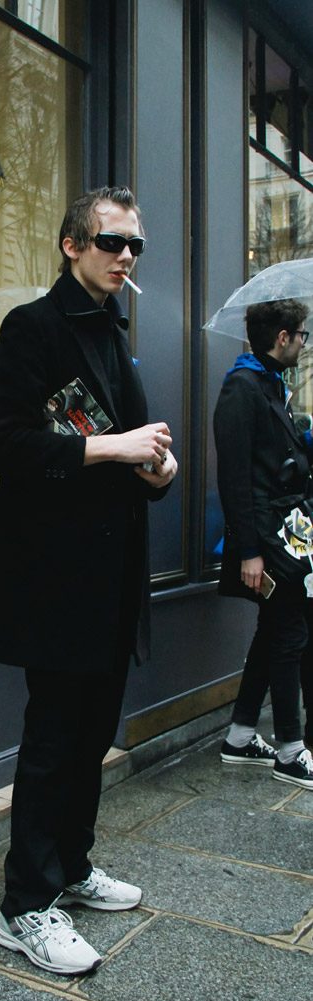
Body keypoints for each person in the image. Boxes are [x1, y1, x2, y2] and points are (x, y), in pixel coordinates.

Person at [0, 186, 178, 975]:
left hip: (110, 580)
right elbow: (4, 445)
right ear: (72, 245)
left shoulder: (114, 337)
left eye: (134, 246)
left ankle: (71, 866)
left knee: (92, 737)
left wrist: (158, 468)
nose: (125, 257)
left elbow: (139, 455)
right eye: (110, 243)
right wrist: (116, 450)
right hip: (54, 581)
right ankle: (25, 906)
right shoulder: (33, 327)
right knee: (54, 740)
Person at [214, 299, 313, 788]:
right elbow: (234, 478)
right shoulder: (242, 387)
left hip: (285, 533)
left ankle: (240, 736)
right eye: (302, 335)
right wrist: (249, 551)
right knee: (289, 632)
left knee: (274, 632)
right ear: (283, 338)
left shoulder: (271, 385)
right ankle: (292, 751)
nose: (303, 343)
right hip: (267, 540)